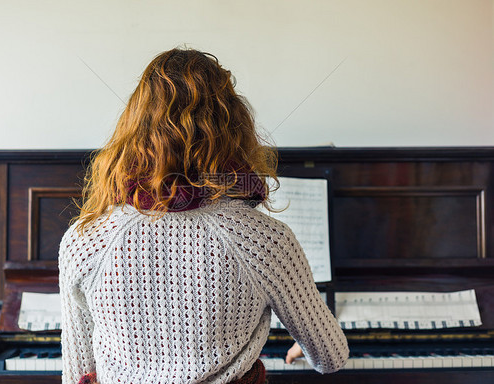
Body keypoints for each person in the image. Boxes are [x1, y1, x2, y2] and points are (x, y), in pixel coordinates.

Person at [59, 48, 349, 384]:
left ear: (133, 129)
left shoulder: (84, 240)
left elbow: (78, 374)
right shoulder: (267, 240)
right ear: (235, 127)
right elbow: (331, 358)